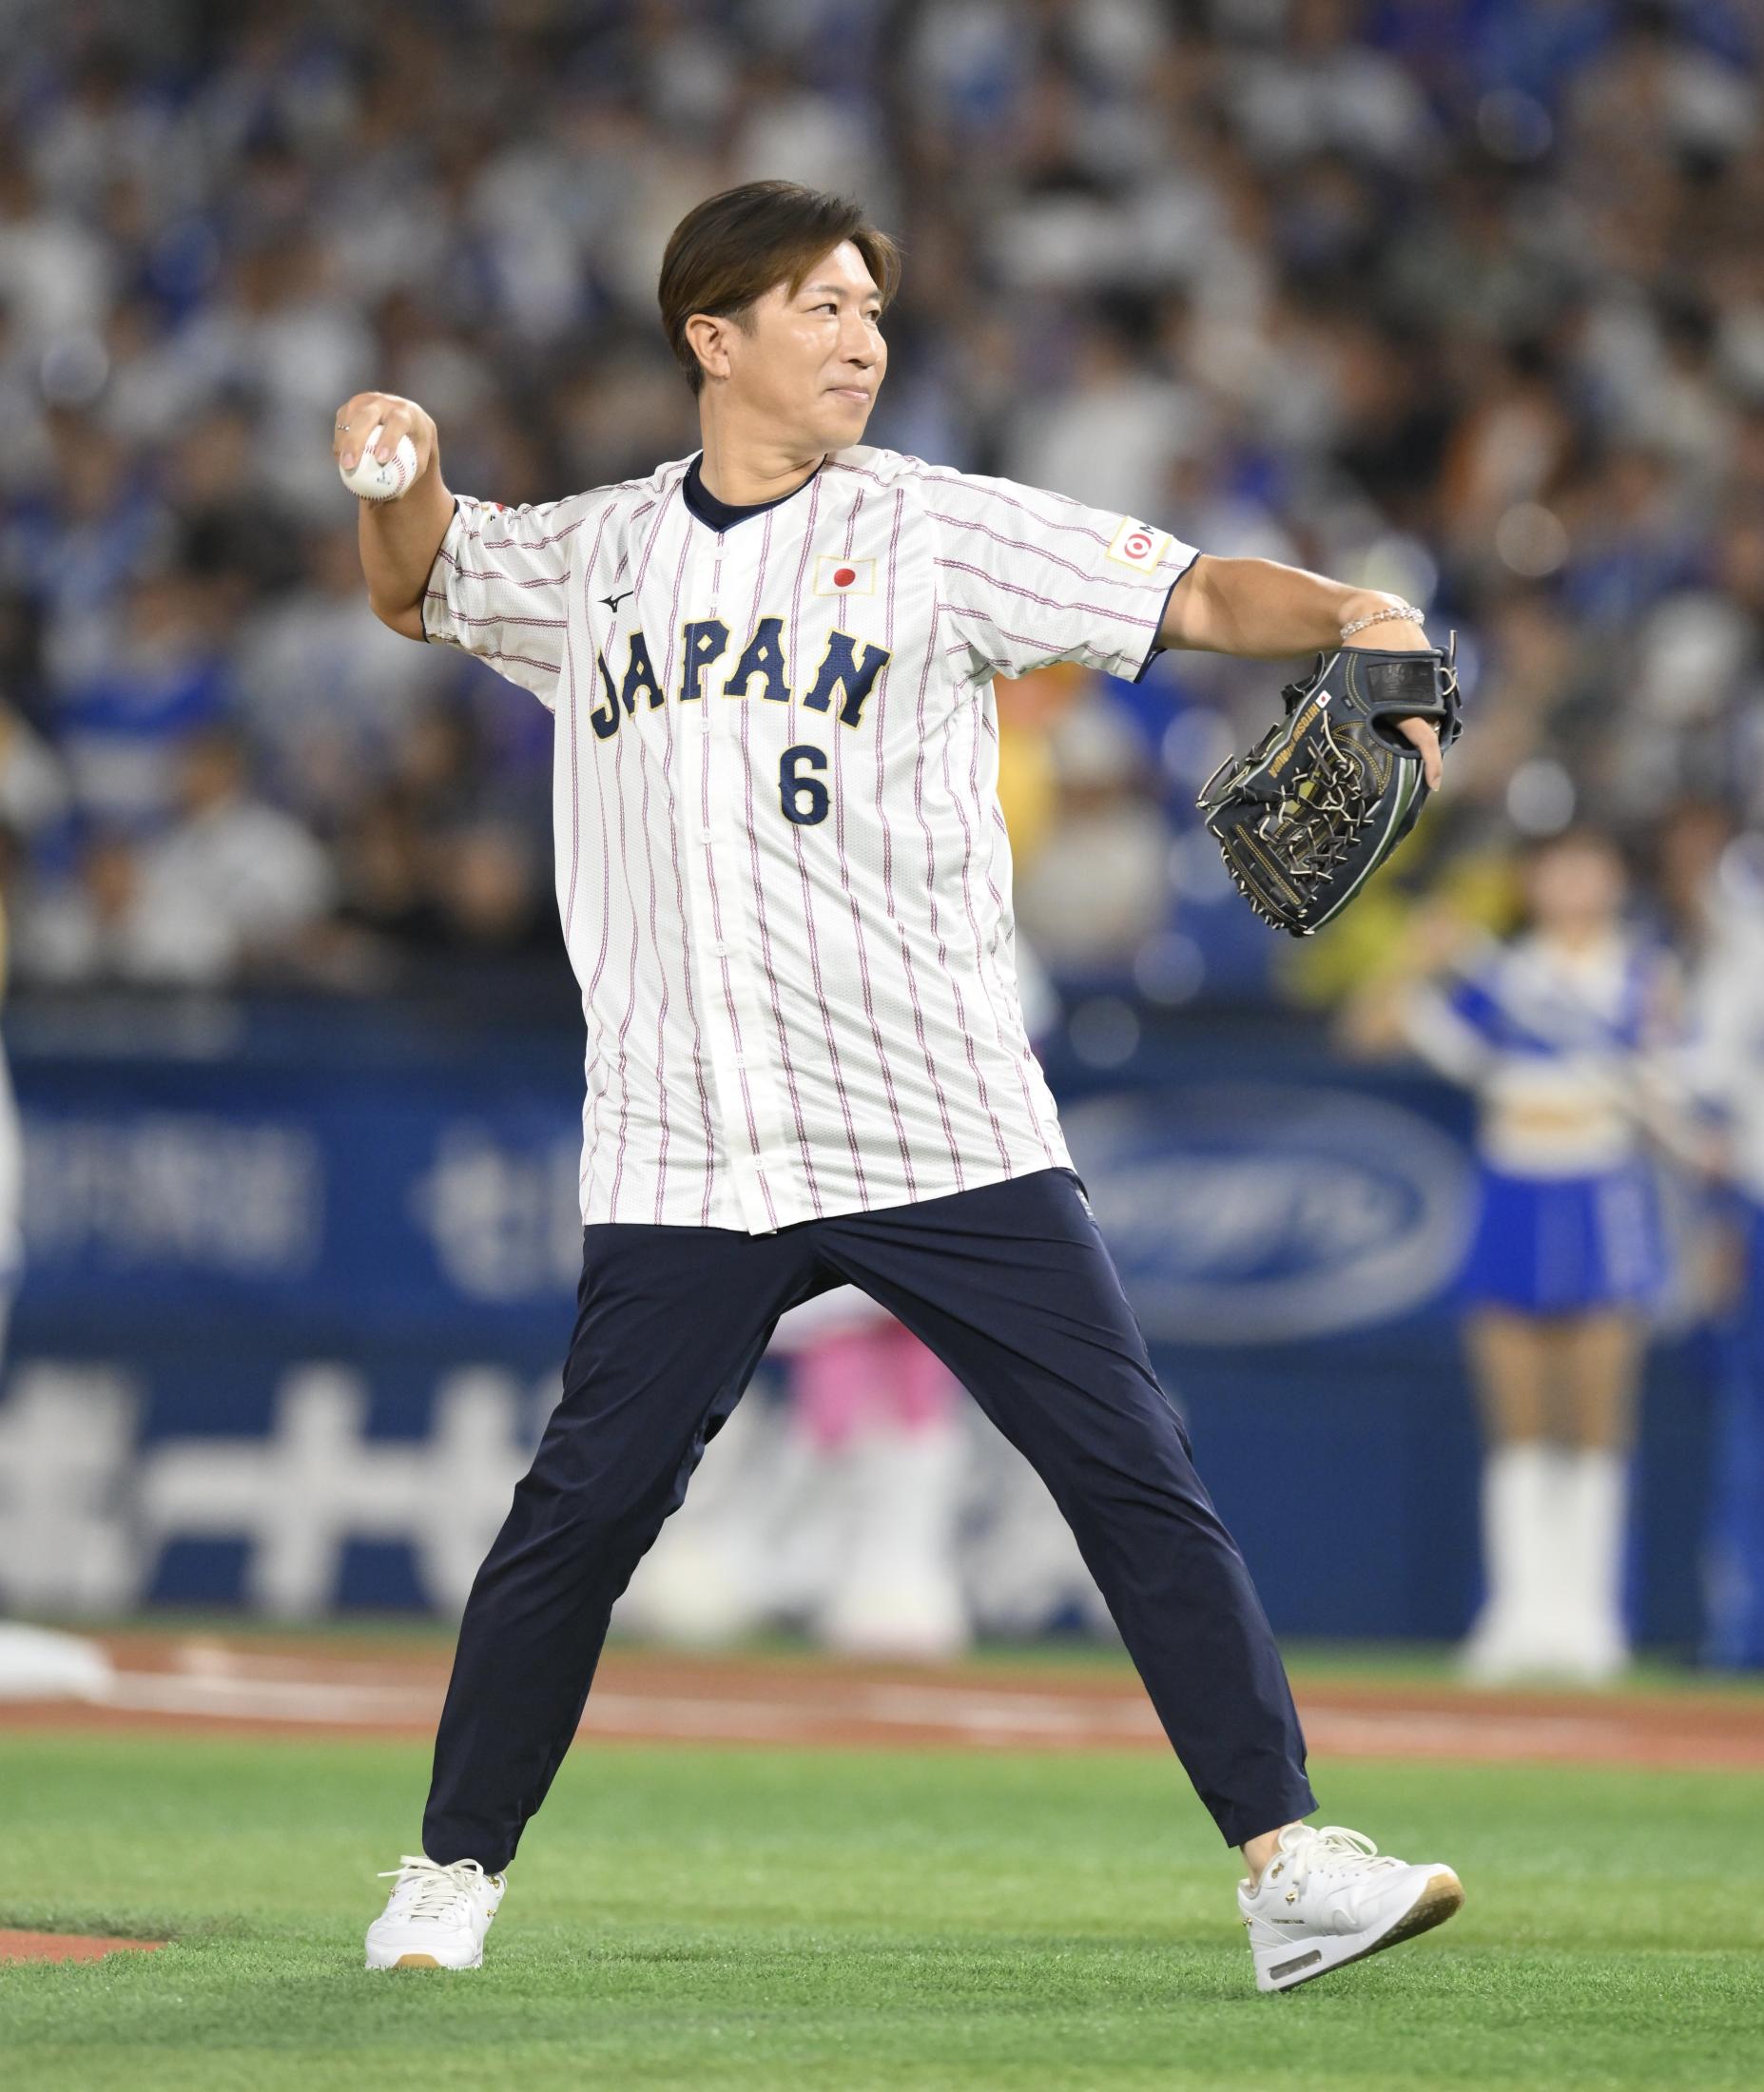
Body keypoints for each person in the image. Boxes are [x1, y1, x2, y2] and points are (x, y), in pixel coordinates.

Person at [345, 180, 1461, 1993]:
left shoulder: (937, 527)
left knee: (1131, 1469)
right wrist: (393, 470)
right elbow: (418, 582)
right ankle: (451, 1870)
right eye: (822, 307)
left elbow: (1190, 591)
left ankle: (1288, 1866)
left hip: (931, 1105)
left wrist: (1358, 604)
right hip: (693, 1131)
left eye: (872, 308)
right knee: (585, 1512)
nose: (863, 338)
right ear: (713, 338)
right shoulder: (598, 555)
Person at [1393, 832, 1684, 1683]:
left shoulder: (1643, 977)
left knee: (1595, 1421)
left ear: (1615, 880)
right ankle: (1518, 1615)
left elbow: (1672, 1084)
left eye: (1588, 867)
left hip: (1600, 1196)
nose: (1571, 883)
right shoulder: (1500, 975)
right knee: (1515, 1422)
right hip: (1514, 1192)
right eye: (1555, 867)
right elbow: (1387, 1032)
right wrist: (1418, 961)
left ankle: (1588, 1620)